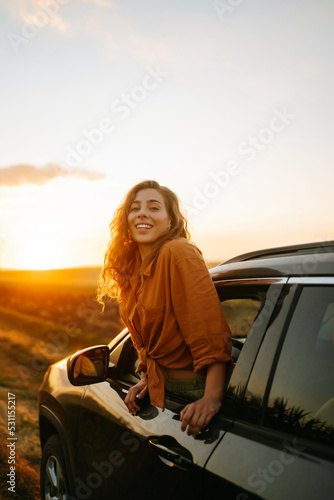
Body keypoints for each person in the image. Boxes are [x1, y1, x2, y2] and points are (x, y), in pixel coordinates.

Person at [97, 180, 233, 437]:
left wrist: (211, 398)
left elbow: (209, 330)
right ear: (127, 220)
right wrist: (147, 377)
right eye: (134, 208)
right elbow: (145, 337)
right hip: (161, 388)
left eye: (154, 207)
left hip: (195, 390)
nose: (142, 213)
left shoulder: (178, 251)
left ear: (171, 221)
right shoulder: (132, 269)